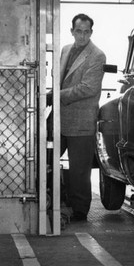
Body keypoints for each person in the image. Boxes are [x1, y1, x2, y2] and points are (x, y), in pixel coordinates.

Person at [49, 13, 106, 222]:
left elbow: (88, 88)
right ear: (71, 31)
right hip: (59, 117)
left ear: (91, 32)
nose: (82, 36)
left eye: (86, 32)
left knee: (80, 169)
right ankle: (55, 200)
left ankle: (80, 210)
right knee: (45, 159)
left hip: (81, 119)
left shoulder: (97, 55)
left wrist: (55, 96)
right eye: (78, 31)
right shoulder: (64, 50)